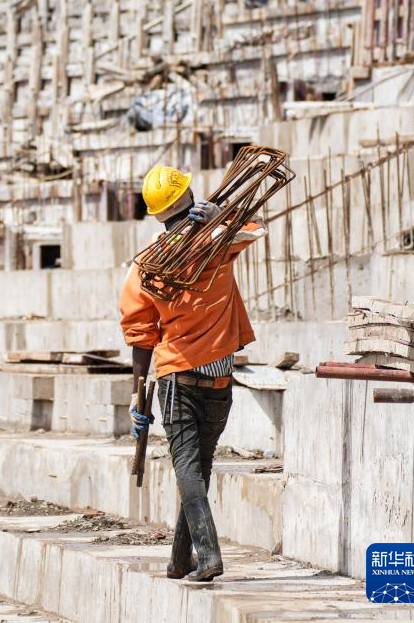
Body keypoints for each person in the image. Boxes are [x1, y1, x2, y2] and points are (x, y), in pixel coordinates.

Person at [119, 165, 267, 582]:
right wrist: (220, 218)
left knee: (187, 467)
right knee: (198, 467)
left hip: (176, 375)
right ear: (188, 195)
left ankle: (209, 555)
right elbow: (256, 228)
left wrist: (136, 392)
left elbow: (140, 332)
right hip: (219, 374)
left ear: (156, 212)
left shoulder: (147, 262)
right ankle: (180, 559)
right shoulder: (217, 242)